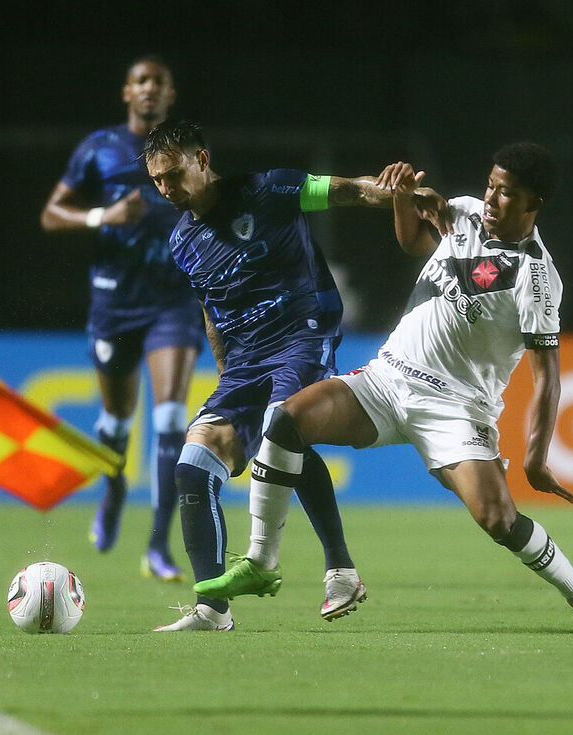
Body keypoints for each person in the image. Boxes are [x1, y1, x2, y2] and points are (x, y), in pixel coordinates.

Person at [197, 145, 573, 633]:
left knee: (498, 520)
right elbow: (414, 245)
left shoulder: (536, 278)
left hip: (456, 409)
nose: (491, 198)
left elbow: (547, 376)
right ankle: (262, 560)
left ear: (535, 203)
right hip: (389, 379)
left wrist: (534, 457)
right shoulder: (465, 212)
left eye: (507, 193)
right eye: (491, 184)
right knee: (286, 421)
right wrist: (404, 197)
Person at [143, 119, 421, 631]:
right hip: (245, 361)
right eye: (156, 180)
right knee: (192, 465)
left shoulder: (268, 190)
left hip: (302, 333)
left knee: (281, 427)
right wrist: (226, 374)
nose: (166, 188)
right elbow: (210, 307)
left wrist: (406, 194)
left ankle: (339, 569)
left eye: (174, 173)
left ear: (202, 160)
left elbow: (348, 192)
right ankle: (212, 610)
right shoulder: (182, 240)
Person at [40, 55, 201, 582]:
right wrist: (101, 215)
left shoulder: (188, 151)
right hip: (114, 302)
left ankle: (158, 545)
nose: (149, 89)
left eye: (159, 81)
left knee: (172, 416)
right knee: (115, 421)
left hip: (172, 302)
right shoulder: (99, 149)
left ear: (171, 93)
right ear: (126, 92)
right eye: (140, 81)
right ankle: (111, 492)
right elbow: (50, 213)